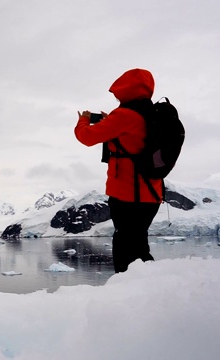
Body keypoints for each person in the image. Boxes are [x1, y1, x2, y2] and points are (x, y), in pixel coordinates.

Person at [74, 68, 162, 273]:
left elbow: (87, 137)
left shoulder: (125, 115)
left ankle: (127, 292)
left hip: (127, 193)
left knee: (124, 246)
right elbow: (133, 140)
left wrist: (83, 119)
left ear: (125, 89)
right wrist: (110, 122)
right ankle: (152, 286)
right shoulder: (153, 114)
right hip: (152, 193)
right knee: (138, 244)